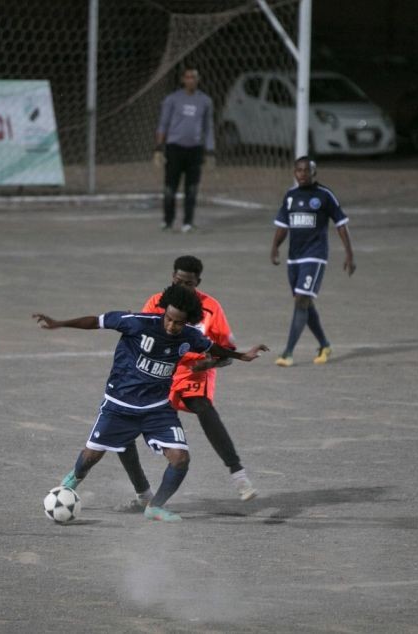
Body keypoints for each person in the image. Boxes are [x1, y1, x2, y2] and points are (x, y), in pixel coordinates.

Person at [34, 284, 268, 522]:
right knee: (92, 457)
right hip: (119, 406)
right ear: (164, 311)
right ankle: (72, 480)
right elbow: (96, 321)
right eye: (168, 319)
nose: (171, 325)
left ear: (187, 321)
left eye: (178, 322)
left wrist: (242, 356)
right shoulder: (136, 322)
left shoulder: (190, 336)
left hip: (157, 409)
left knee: (181, 458)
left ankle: (154, 506)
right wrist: (59, 323)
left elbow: (212, 347)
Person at [115, 255, 261, 511]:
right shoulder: (155, 303)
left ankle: (238, 475)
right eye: (179, 281)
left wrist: (210, 364)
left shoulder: (212, 309)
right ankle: (143, 494)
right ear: (172, 278)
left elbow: (226, 354)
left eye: (190, 283)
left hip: (192, 372)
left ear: (198, 282)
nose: (184, 287)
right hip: (157, 373)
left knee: (204, 408)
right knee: (122, 427)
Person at [270, 156, 355, 367]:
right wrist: (275, 247)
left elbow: (341, 224)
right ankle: (325, 345)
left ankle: (288, 353)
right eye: (298, 171)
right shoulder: (290, 197)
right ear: (294, 173)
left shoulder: (325, 195)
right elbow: (283, 226)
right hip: (294, 258)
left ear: (314, 173)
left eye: (306, 171)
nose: (302, 174)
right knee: (304, 303)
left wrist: (349, 254)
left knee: (301, 300)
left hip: (315, 255)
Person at [154, 67, 215, 233]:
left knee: (192, 188)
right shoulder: (172, 99)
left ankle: (188, 221)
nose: (191, 80)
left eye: (194, 77)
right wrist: (159, 148)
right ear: (183, 80)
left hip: (195, 150)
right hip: (174, 149)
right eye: (188, 77)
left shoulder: (205, 101)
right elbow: (163, 123)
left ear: (198, 80)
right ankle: (168, 220)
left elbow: (208, 127)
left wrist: (209, 150)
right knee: (170, 188)